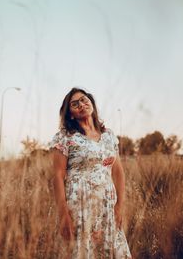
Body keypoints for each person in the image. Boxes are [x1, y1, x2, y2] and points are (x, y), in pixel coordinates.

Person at [48, 87, 132, 259]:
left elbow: (118, 172)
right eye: (75, 103)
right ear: (70, 113)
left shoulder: (108, 135)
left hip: (107, 205)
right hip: (80, 205)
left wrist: (120, 206)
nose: (81, 104)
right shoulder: (65, 137)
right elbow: (57, 176)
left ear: (91, 103)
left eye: (84, 99)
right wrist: (63, 214)